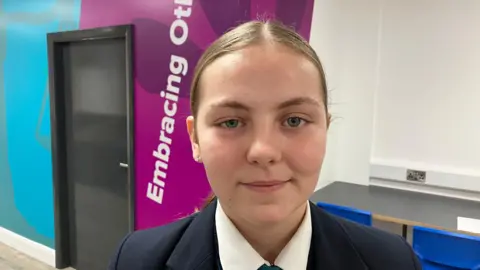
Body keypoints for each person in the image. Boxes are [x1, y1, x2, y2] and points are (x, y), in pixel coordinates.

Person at [108, 20, 422, 270]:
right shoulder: (136, 261)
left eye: (294, 120)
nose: (264, 151)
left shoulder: (392, 261)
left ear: (326, 128)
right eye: (231, 122)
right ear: (195, 138)